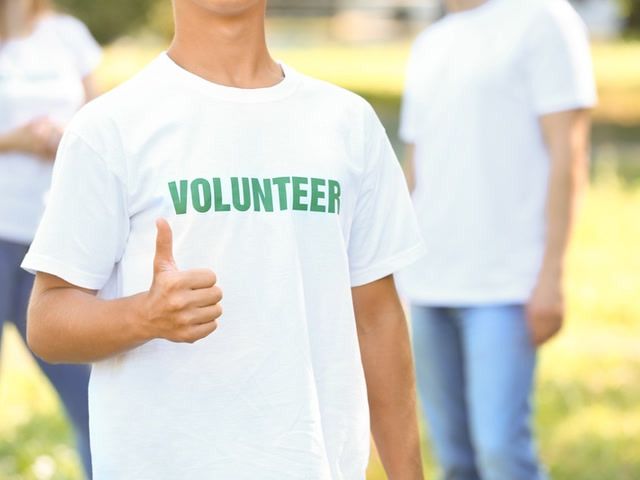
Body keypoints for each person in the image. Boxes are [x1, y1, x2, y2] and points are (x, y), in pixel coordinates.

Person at [21, 1, 427, 478]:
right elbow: (47, 322)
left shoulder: (348, 123)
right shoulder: (109, 128)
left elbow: (377, 319)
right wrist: (144, 315)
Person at [397, 0, 596, 479]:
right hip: (427, 283)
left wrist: (552, 276)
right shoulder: (430, 43)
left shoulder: (543, 19)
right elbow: (416, 170)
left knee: (502, 452)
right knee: (454, 459)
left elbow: (568, 154)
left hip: (506, 285)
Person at [0, 0, 101, 477]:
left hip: (53, 242)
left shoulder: (68, 34)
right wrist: (14, 141)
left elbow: (100, 122)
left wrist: (67, 135)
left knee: (89, 396)